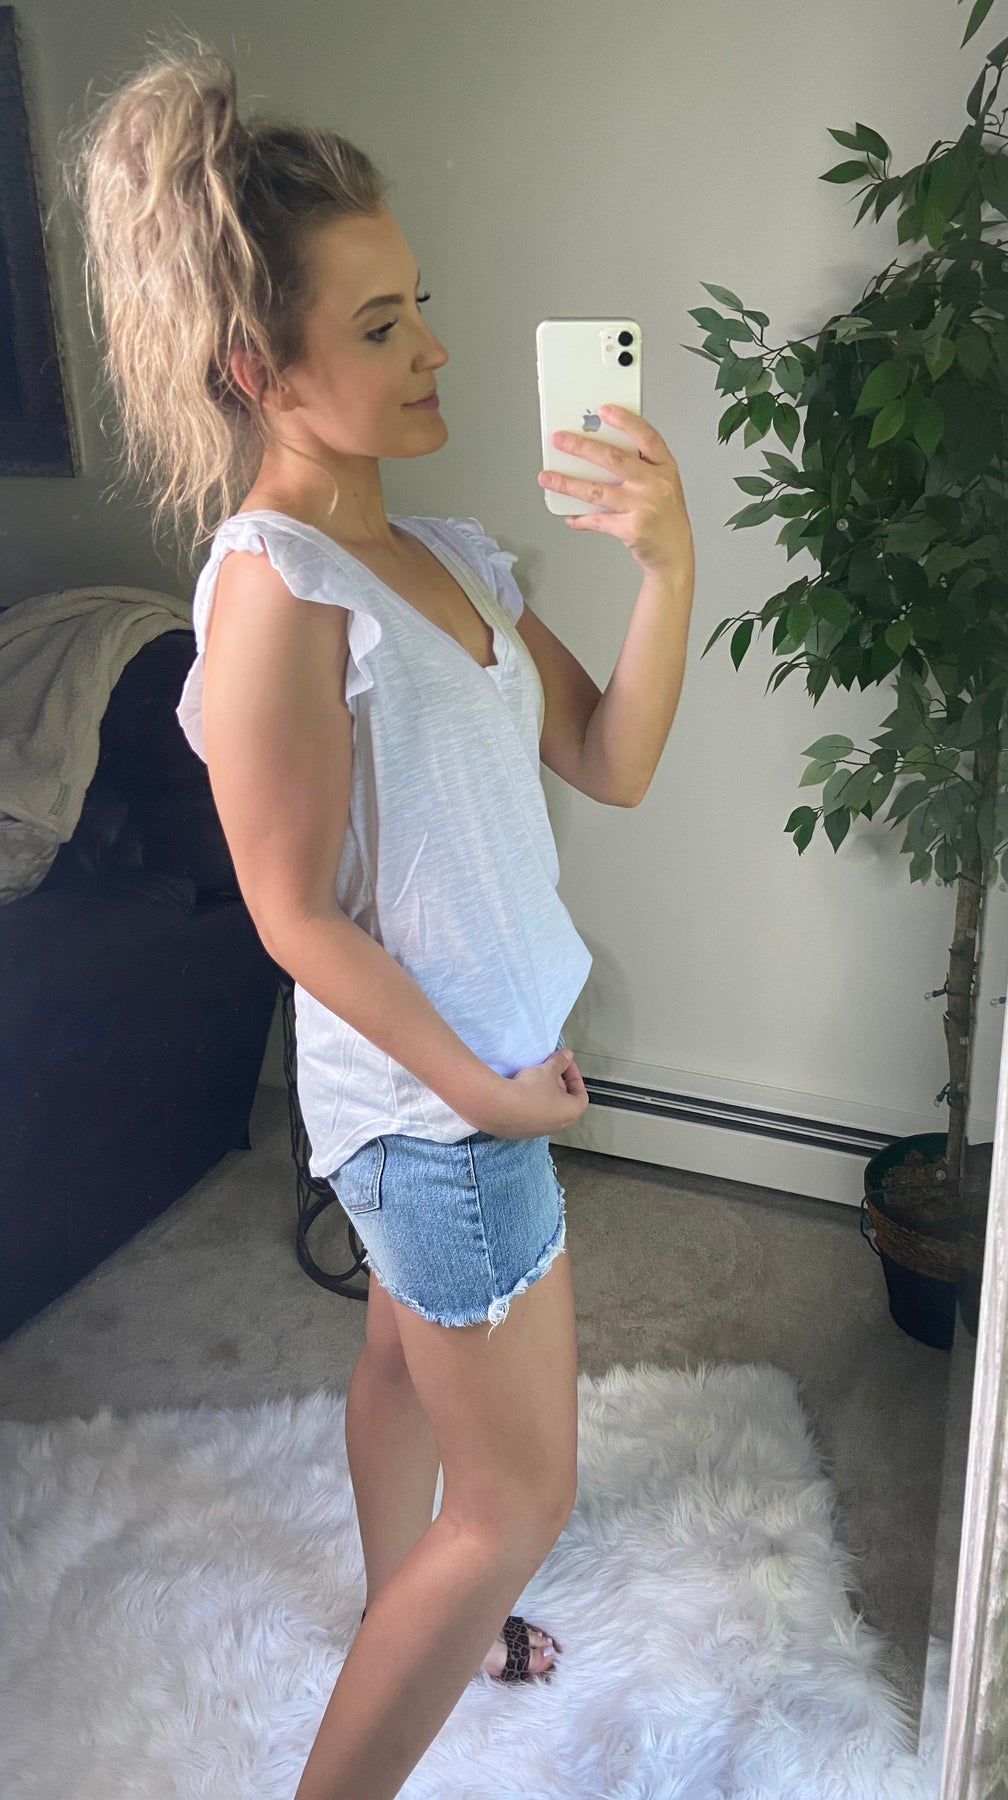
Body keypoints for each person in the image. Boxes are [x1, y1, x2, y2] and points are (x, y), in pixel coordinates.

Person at [62, 29, 694, 1800]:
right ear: (257, 370)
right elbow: (292, 917)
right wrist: (484, 1096)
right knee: (520, 1503)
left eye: (422, 309)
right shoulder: (275, 590)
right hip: (438, 1112)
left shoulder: (455, 556)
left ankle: (399, 1608)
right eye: (382, 325)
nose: (434, 351)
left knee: (401, 1367)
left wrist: (667, 566)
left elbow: (610, 758)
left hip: (468, 1077)